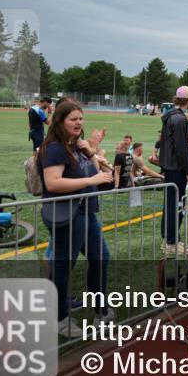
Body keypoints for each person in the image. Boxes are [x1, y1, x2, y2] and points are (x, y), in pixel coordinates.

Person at [37, 99, 114, 336]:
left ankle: (101, 311)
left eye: (81, 118)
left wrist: (90, 151)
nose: (79, 122)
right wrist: (91, 180)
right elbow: (52, 183)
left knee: (101, 258)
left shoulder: (76, 146)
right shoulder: (54, 148)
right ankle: (59, 319)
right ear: (60, 121)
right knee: (63, 266)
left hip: (86, 212)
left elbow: (95, 170)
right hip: (68, 214)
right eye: (73, 119)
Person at [158, 86, 188, 254]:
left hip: (170, 166)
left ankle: (168, 239)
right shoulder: (179, 119)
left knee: (171, 204)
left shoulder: (172, 116)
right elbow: (181, 148)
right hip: (177, 168)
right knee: (177, 205)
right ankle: (171, 242)